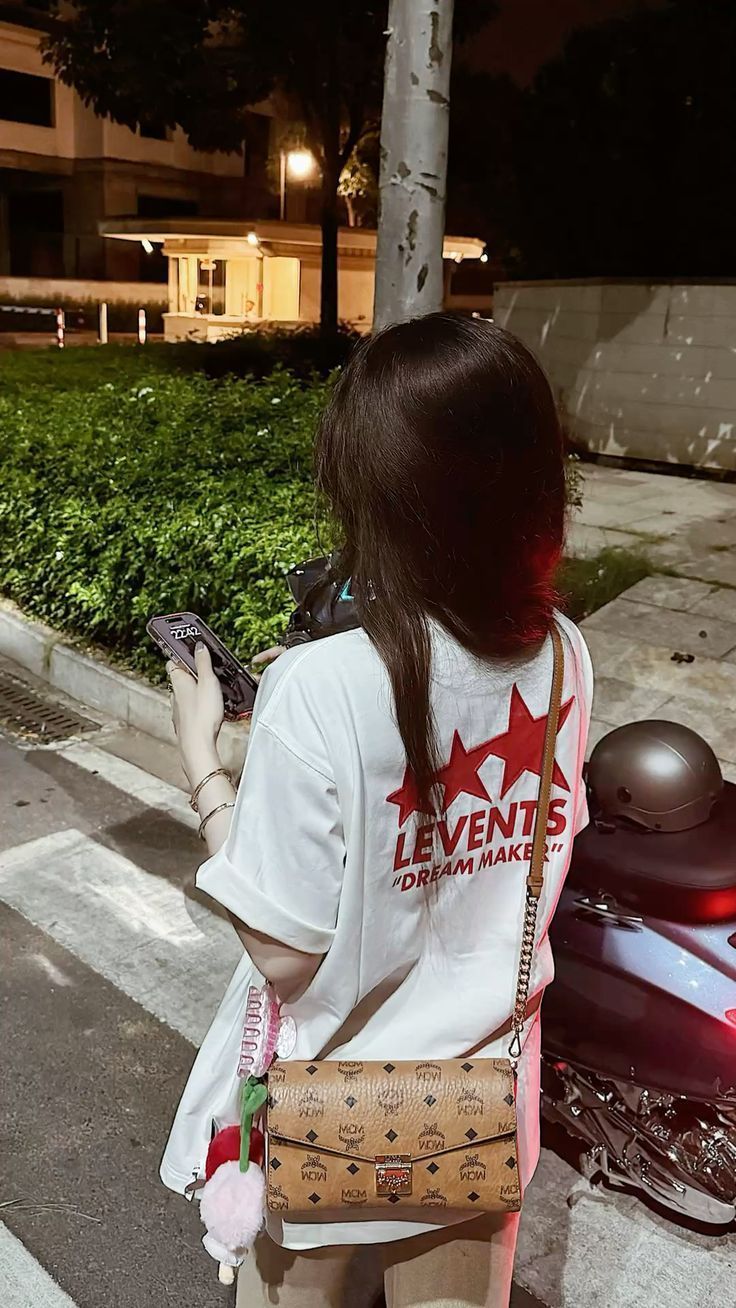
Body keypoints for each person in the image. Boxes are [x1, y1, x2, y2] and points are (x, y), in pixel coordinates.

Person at [163, 313, 594, 1308]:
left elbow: (284, 955)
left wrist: (204, 763)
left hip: (333, 1110)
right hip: (481, 1103)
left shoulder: (320, 689)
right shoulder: (565, 652)